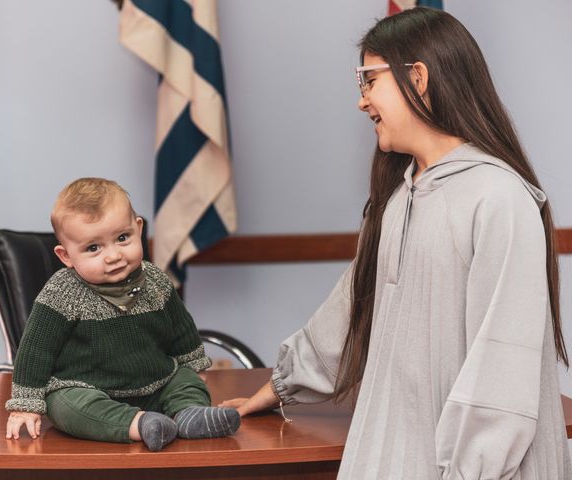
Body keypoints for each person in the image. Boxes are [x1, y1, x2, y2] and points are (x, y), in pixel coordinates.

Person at [221, 7, 572, 479]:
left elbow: (501, 371)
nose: (361, 100)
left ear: (418, 77)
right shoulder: (399, 197)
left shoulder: (498, 199)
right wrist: (279, 386)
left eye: (369, 79)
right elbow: (352, 309)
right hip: (391, 452)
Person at [5, 177, 240, 451]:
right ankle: (139, 424)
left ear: (138, 229)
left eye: (122, 238)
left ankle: (188, 414)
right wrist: (25, 406)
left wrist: (194, 367)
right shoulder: (61, 292)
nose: (113, 255)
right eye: (94, 248)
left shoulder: (155, 280)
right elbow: (35, 351)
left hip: (156, 384)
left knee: (185, 379)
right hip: (89, 390)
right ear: (66, 256)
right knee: (63, 405)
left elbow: (181, 329)